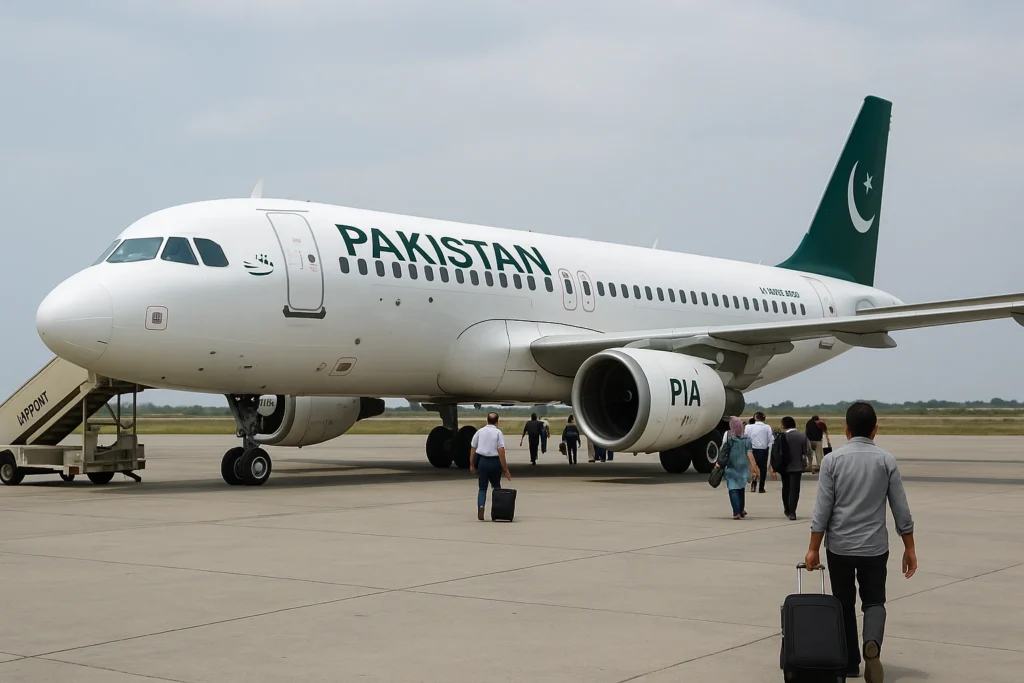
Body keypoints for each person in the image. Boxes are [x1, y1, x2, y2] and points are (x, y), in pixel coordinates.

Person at [805, 401, 916, 682]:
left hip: (840, 547)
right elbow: (900, 508)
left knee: (843, 603)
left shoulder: (832, 461)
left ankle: (850, 662)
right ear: (875, 430)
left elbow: (823, 510)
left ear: (846, 429)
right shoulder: (885, 460)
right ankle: (873, 646)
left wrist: (813, 548)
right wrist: (910, 547)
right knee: (874, 601)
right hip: (875, 548)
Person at [469, 412, 512, 521]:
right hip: (494, 462)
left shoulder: (480, 432)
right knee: (496, 487)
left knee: (482, 488)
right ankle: (497, 511)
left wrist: (472, 464)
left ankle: (481, 506)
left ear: (487, 420)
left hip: (482, 462)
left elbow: (473, 448)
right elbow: (501, 451)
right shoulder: (498, 433)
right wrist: (505, 468)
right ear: (497, 422)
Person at [714, 416, 758, 520]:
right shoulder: (747, 439)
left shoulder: (728, 436)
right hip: (743, 466)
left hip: (731, 465)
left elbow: (723, 450)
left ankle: (736, 512)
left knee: (733, 488)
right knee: (741, 488)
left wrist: (719, 462)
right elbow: (750, 454)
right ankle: (741, 509)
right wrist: (754, 468)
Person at [771, 416, 810, 520]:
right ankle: (793, 512)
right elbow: (807, 451)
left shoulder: (782, 436)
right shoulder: (802, 436)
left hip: (784, 467)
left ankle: (787, 509)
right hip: (797, 467)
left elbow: (775, 452)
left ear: (783, 425)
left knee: (786, 488)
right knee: (795, 490)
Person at [744, 412, 774, 493]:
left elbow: (746, 437)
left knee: (753, 467)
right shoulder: (767, 427)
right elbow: (771, 440)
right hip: (763, 450)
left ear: (755, 418)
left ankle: (753, 484)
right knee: (763, 469)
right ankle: (761, 487)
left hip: (752, 450)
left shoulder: (748, 427)